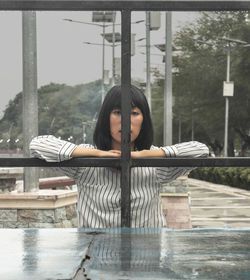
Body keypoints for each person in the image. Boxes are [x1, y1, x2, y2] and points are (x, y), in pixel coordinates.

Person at [30, 85, 209, 228]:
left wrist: (144, 155)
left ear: (143, 119)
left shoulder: (154, 163)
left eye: (134, 113)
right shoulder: (85, 163)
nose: (126, 120)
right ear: (105, 118)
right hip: (96, 261)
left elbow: (200, 150)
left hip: (145, 262)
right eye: (117, 112)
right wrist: (99, 154)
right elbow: (37, 145)